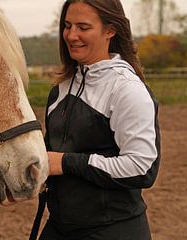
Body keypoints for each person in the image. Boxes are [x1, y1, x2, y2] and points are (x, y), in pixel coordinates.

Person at [40, 0, 161, 239]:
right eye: (67, 25)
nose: (71, 35)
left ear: (110, 30)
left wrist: (67, 163)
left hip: (112, 229)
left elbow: (141, 168)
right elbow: (49, 151)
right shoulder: (61, 88)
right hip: (59, 227)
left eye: (83, 27)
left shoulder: (126, 89)